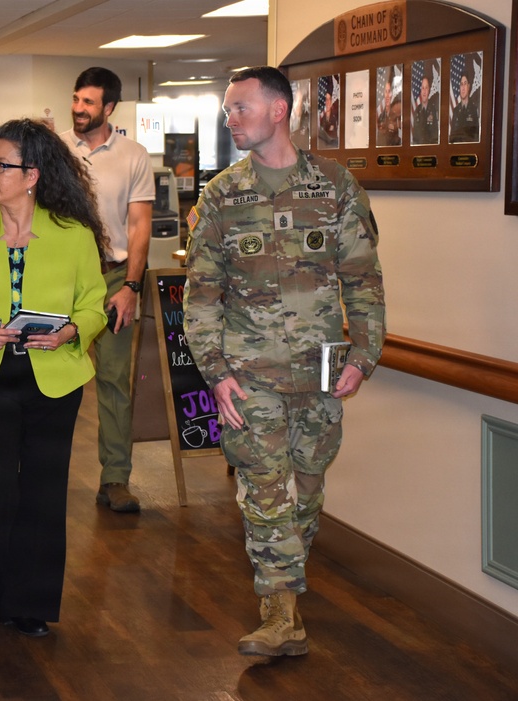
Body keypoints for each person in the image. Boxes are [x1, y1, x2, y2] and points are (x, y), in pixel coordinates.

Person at [183, 67, 385, 658]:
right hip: (249, 376)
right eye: (228, 110)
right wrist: (217, 373)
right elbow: (201, 295)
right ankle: (279, 613)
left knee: (308, 488)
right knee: (265, 489)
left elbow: (364, 280)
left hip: (321, 371)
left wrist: (363, 358)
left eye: (240, 107)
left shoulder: (336, 186)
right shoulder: (221, 195)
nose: (230, 119)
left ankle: (288, 599)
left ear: (279, 110)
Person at [0, 118, 108, 642]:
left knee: (44, 492)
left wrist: (71, 331)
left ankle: (28, 605)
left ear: (31, 174)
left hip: (55, 377)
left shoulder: (74, 235)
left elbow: (93, 305)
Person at [60, 66, 154, 513]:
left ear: (109, 107)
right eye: (76, 99)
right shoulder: (56, 149)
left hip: (114, 276)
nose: (78, 109)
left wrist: (131, 286)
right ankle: (43, 472)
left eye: (88, 102)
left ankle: (115, 478)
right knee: (52, 376)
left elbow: (139, 226)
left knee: (115, 379)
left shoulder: (134, 155)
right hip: (62, 280)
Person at [449, 65, 479, 143]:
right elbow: (452, 138)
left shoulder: (474, 109)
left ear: (469, 86)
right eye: (461, 84)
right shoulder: (456, 110)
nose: (463, 88)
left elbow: (476, 137)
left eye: (465, 84)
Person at [412, 67, 438, 145]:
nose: (424, 91)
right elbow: (415, 137)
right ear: (420, 90)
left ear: (429, 89)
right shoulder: (417, 111)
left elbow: (435, 136)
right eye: (422, 88)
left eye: (426, 88)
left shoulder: (433, 109)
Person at [376, 70, 402, 147]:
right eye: (386, 92)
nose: (387, 95)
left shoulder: (397, 111)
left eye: (389, 91)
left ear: (392, 94)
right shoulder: (381, 116)